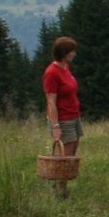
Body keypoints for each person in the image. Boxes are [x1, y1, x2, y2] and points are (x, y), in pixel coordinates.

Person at [42, 36, 82, 198]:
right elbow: (51, 101)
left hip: (73, 116)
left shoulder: (65, 68)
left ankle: (60, 184)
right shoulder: (51, 73)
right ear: (64, 53)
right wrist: (56, 126)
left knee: (71, 152)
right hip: (63, 119)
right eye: (71, 51)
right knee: (64, 155)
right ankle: (60, 190)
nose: (74, 54)